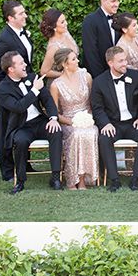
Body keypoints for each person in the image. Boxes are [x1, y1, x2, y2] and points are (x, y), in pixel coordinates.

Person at [0, 51, 62, 195]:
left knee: (56, 131)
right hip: (21, 126)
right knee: (20, 141)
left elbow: (48, 100)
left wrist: (53, 118)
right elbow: (19, 107)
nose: (25, 64)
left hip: (39, 121)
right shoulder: (2, 90)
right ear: (11, 69)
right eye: (20, 63)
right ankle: (20, 181)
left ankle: (56, 177)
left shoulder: (33, 78)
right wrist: (34, 90)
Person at [91, 46, 138, 192]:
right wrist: (105, 124)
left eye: (125, 59)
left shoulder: (136, 76)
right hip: (113, 124)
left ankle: (136, 179)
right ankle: (114, 179)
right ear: (110, 63)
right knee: (104, 138)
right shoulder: (99, 82)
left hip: (133, 123)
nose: (125, 63)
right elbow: (97, 108)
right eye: (121, 61)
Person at [0, 0, 35, 181]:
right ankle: (8, 172)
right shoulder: (4, 39)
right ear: (10, 18)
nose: (25, 15)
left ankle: (25, 165)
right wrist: (9, 89)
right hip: (11, 93)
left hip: (25, 88)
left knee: (25, 126)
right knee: (7, 131)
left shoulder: (23, 33)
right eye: (21, 14)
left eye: (24, 12)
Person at [50, 48, 99, 190]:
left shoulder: (86, 76)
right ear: (65, 64)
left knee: (89, 133)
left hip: (88, 119)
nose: (77, 61)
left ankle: (84, 179)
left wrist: (88, 119)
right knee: (77, 134)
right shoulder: (56, 85)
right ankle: (73, 178)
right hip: (68, 121)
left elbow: (94, 102)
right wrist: (72, 122)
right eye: (73, 59)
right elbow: (54, 113)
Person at [81, 0, 121, 78]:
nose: (117, 4)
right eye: (113, 1)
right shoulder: (90, 20)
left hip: (116, 73)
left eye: (118, 0)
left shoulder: (118, 19)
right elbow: (90, 52)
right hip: (98, 75)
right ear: (103, 1)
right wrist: (102, 77)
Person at [39, 8, 79, 80]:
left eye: (65, 20)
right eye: (62, 22)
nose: (66, 23)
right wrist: (64, 74)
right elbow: (44, 71)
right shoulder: (54, 47)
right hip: (63, 82)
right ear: (54, 27)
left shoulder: (66, 32)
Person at [113, 13, 138, 81]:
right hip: (133, 82)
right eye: (134, 25)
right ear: (124, 29)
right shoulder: (121, 47)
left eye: (137, 24)